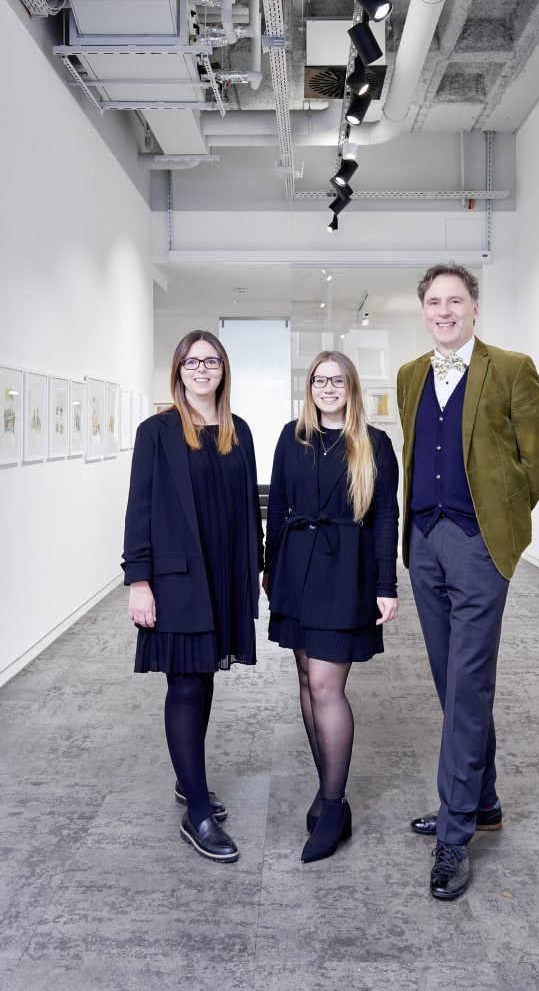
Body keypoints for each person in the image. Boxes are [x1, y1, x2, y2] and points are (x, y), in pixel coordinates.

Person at [397, 264, 539, 900]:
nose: (444, 310)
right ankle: (482, 799)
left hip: (478, 545)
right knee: (450, 680)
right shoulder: (411, 375)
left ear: (475, 308)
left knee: (468, 682)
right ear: (424, 310)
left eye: (454, 300)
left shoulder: (512, 368)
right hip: (425, 541)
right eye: (434, 302)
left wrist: (502, 520)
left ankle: (455, 833)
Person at [122, 330, 263, 863]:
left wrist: (260, 567)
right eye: (192, 361)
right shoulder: (156, 431)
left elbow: (250, 508)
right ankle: (197, 809)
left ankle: (189, 780)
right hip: (177, 577)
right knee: (185, 683)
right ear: (178, 370)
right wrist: (139, 580)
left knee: (203, 679)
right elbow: (140, 509)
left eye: (212, 361)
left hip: (225, 575)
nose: (202, 369)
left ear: (223, 370)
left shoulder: (238, 431)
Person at [264, 351, 399, 863]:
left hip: (346, 573)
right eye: (319, 380)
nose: (327, 388)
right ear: (309, 387)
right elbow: (276, 503)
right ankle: (327, 791)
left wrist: (386, 583)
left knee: (325, 684)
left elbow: (387, 516)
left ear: (351, 387)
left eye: (336, 380)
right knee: (304, 679)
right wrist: (268, 564)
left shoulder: (373, 444)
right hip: (295, 569)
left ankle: (334, 802)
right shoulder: (291, 436)